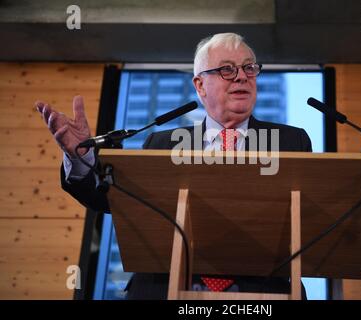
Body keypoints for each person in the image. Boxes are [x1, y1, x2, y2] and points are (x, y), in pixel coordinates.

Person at [36, 32, 312, 299]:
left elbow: (309, 219)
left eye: (249, 68)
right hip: (163, 286)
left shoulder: (290, 140)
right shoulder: (162, 143)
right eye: (227, 69)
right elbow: (112, 200)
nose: (241, 76)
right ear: (200, 85)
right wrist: (80, 158)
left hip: (262, 290)